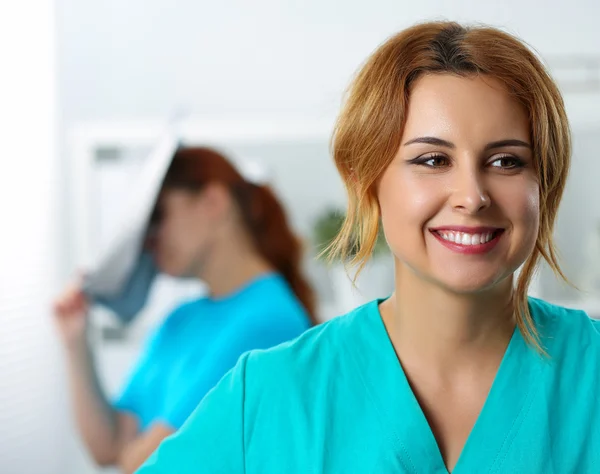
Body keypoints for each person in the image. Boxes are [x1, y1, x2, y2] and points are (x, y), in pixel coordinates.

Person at [136, 21, 600, 474]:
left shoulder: (589, 377)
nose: (472, 195)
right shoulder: (268, 396)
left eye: (506, 161)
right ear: (367, 185)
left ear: (546, 183)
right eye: (432, 160)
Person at [53, 147, 316, 474]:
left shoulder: (269, 321)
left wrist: (132, 452)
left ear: (213, 203)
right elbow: (110, 445)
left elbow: (147, 462)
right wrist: (75, 343)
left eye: (158, 217)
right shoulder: (181, 318)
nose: (149, 241)